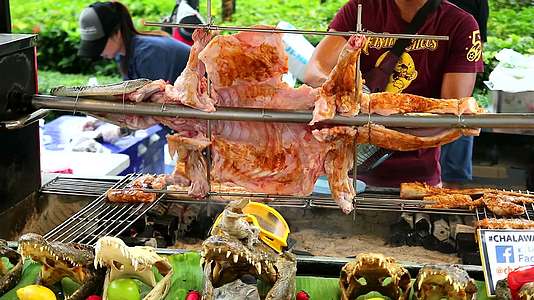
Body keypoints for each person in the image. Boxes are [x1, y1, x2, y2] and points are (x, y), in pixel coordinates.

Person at [303, 0, 484, 187]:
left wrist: (377, 123)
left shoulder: (461, 24)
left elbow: (453, 111)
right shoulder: (360, 8)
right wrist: (352, 91)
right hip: (345, 173)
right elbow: (314, 71)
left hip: (417, 180)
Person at [78, 1, 191, 83]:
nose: (99, 52)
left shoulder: (146, 53)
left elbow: (155, 105)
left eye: (99, 45)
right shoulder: (124, 53)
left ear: (117, 33)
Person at [440, 0, 489, 186]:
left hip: (459, 69)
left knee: (460, 115)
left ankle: (452, 191)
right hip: (423, 70)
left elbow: (478, 43)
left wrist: (466, 68)